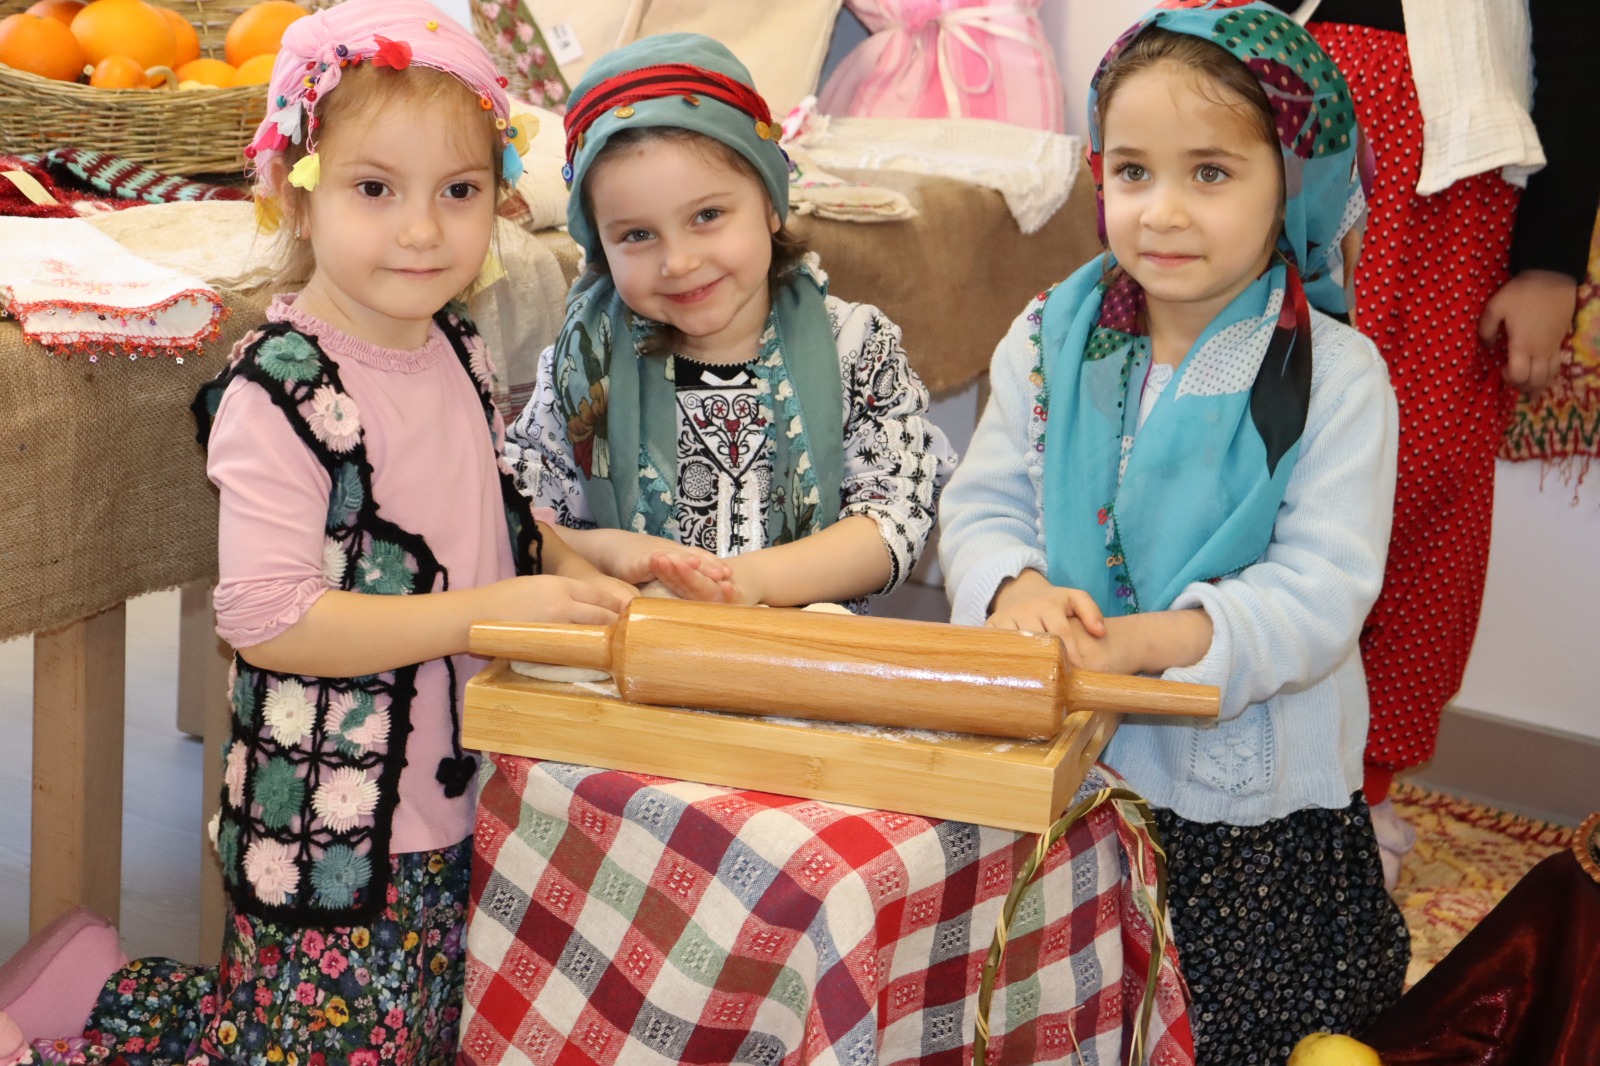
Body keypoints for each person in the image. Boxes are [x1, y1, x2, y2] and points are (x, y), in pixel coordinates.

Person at [0, 1, 630, 1061]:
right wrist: (481, 612)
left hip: (457, 785)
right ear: (294, 198)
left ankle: (110, 988)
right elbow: (267, 619)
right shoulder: (282, 391)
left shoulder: (459, 350)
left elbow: (491, 517)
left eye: (460, 191)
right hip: (329, 828)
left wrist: (587, 557)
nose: (423, 229)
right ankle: (87, 1023)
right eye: (374, 189)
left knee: (413, 1034)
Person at [938, 2, 1410, 1061]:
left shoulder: (1334, 379)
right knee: (1063, 1005)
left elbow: (1321, 592)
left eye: (1210, 173)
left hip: (1242, 814)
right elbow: (982, 505)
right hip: (1065, 766)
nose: (1161, 211)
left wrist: (1149, 641)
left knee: (1224, 1030)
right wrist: (1013, 590)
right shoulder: (1044, 334)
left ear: (1295, 182)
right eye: (1133, 171)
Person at [1264, 0, 1600, 887]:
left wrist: (1551, 260)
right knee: (1262, 463)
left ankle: (1359, 786)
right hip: (1288, 128)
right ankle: (1234, 770)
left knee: (1423, 478)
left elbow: (1579, 49)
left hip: (1453, 176)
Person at [504, 33, 956, 611]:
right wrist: (616, 555)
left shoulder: (855, 348)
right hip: (635, 662)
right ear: (599, 247)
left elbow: (894, 520)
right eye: (637, 235)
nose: (679, 262)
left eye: (707, 215)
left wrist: (746, 585)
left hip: (805, 676)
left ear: (770, 201)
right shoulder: (580, 363)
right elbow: (518, 520)